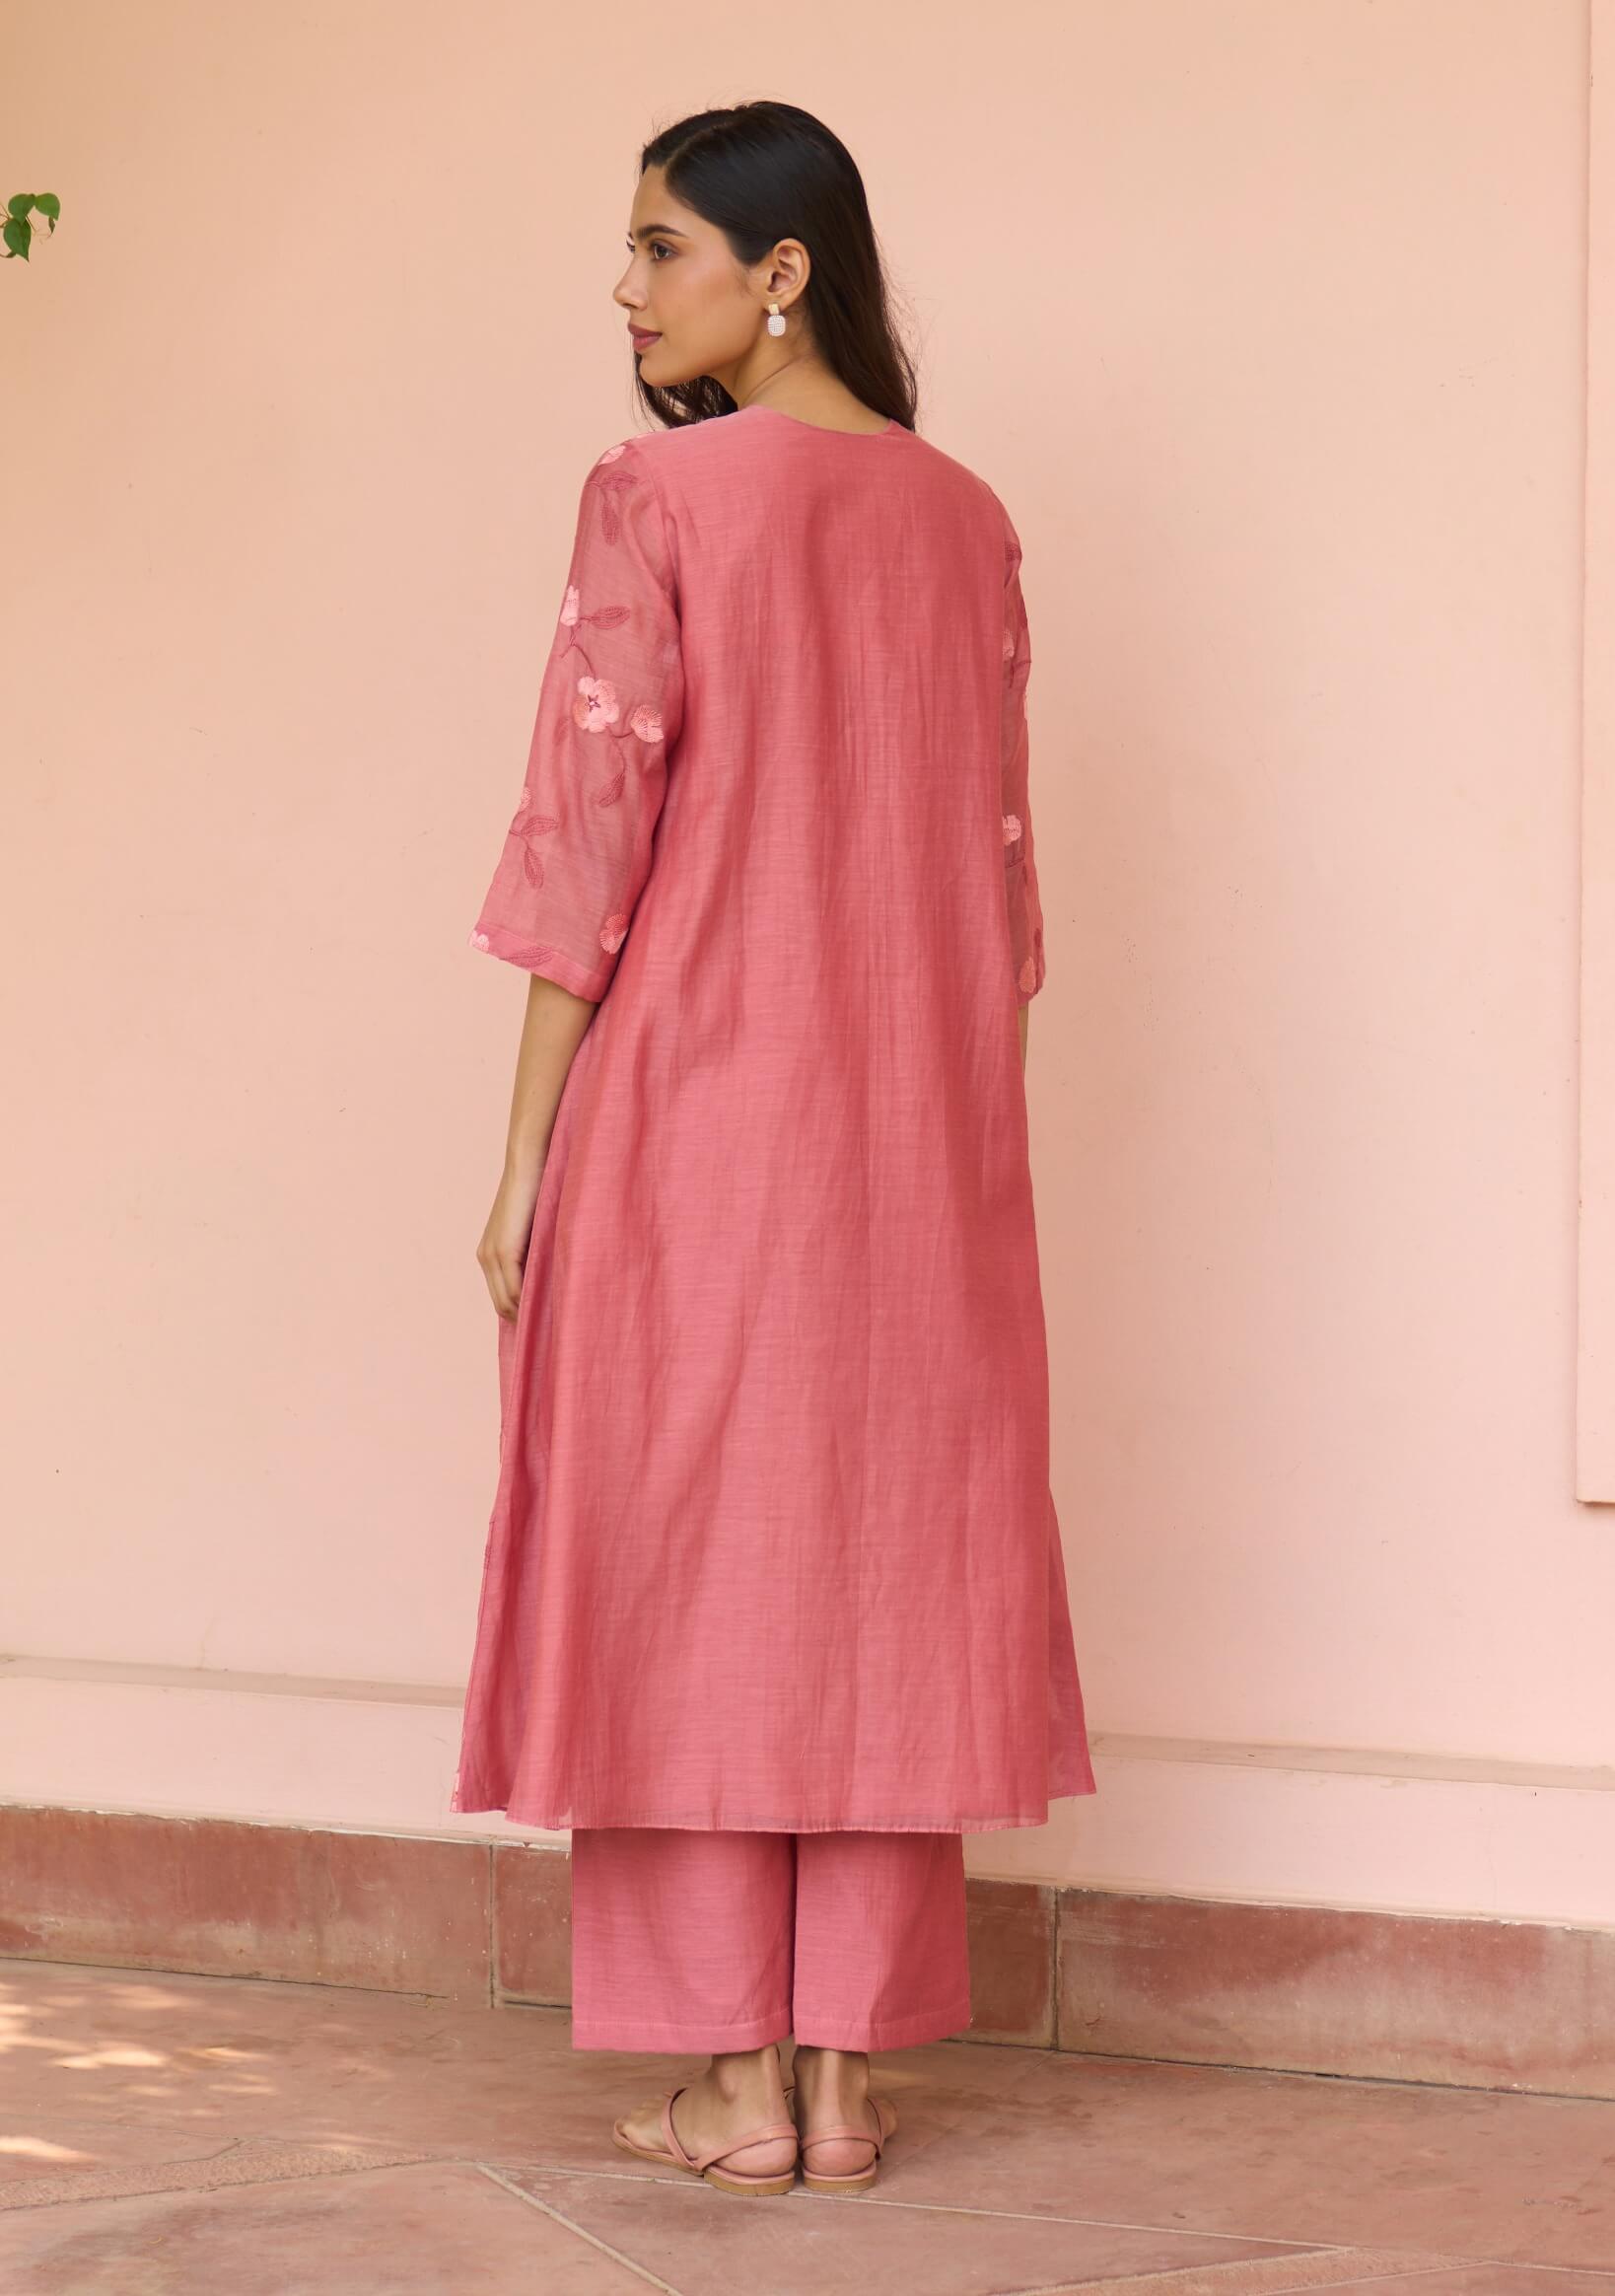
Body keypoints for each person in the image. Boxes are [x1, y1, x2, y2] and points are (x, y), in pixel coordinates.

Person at [449, 99, 1098, 2200]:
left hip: (691, 1124)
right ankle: (839, 2084)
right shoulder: (967, 519)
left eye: (661, 248)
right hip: (917, 1145)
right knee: (878, 1568)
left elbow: (585, 855)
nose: (628, 290)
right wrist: (945, 1135)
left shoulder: (655, 493)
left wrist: (524, 1162)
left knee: (685, 1572)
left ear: (779, 270)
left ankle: (729, 2083)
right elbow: (998, 900)